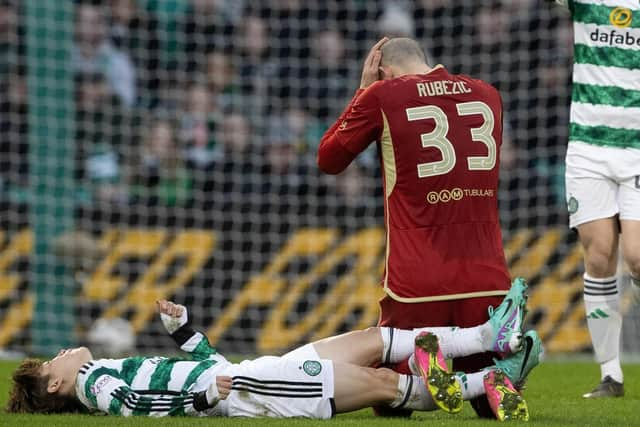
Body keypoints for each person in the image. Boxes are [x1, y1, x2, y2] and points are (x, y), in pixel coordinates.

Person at [317, 37, 516, 418]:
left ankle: (417, 367)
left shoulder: (383, 96)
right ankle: (496, 375)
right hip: (487, 277)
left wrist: (363, 91)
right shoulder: (488, 94)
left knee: (388, 399)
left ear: (384, 71)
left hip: (416, 281)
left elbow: (329, 158)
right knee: (490, 404)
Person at [7, 285, 541, 421]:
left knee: (374, 340)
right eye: (53, 360)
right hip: (251, 392)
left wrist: (183, 332)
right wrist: (198, 402)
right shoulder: (97, 384)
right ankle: (481, 382)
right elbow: (139, 404)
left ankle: (485, 341)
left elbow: (202, 368)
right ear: (56, 385)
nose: (62, 352)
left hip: (242, 375)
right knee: (381, 381)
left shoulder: (102, 368)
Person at [551, 0, 640, 398]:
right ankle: (611, 375)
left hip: (636, 146)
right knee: (600, 255)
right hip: (588, 148)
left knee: (637, 256)